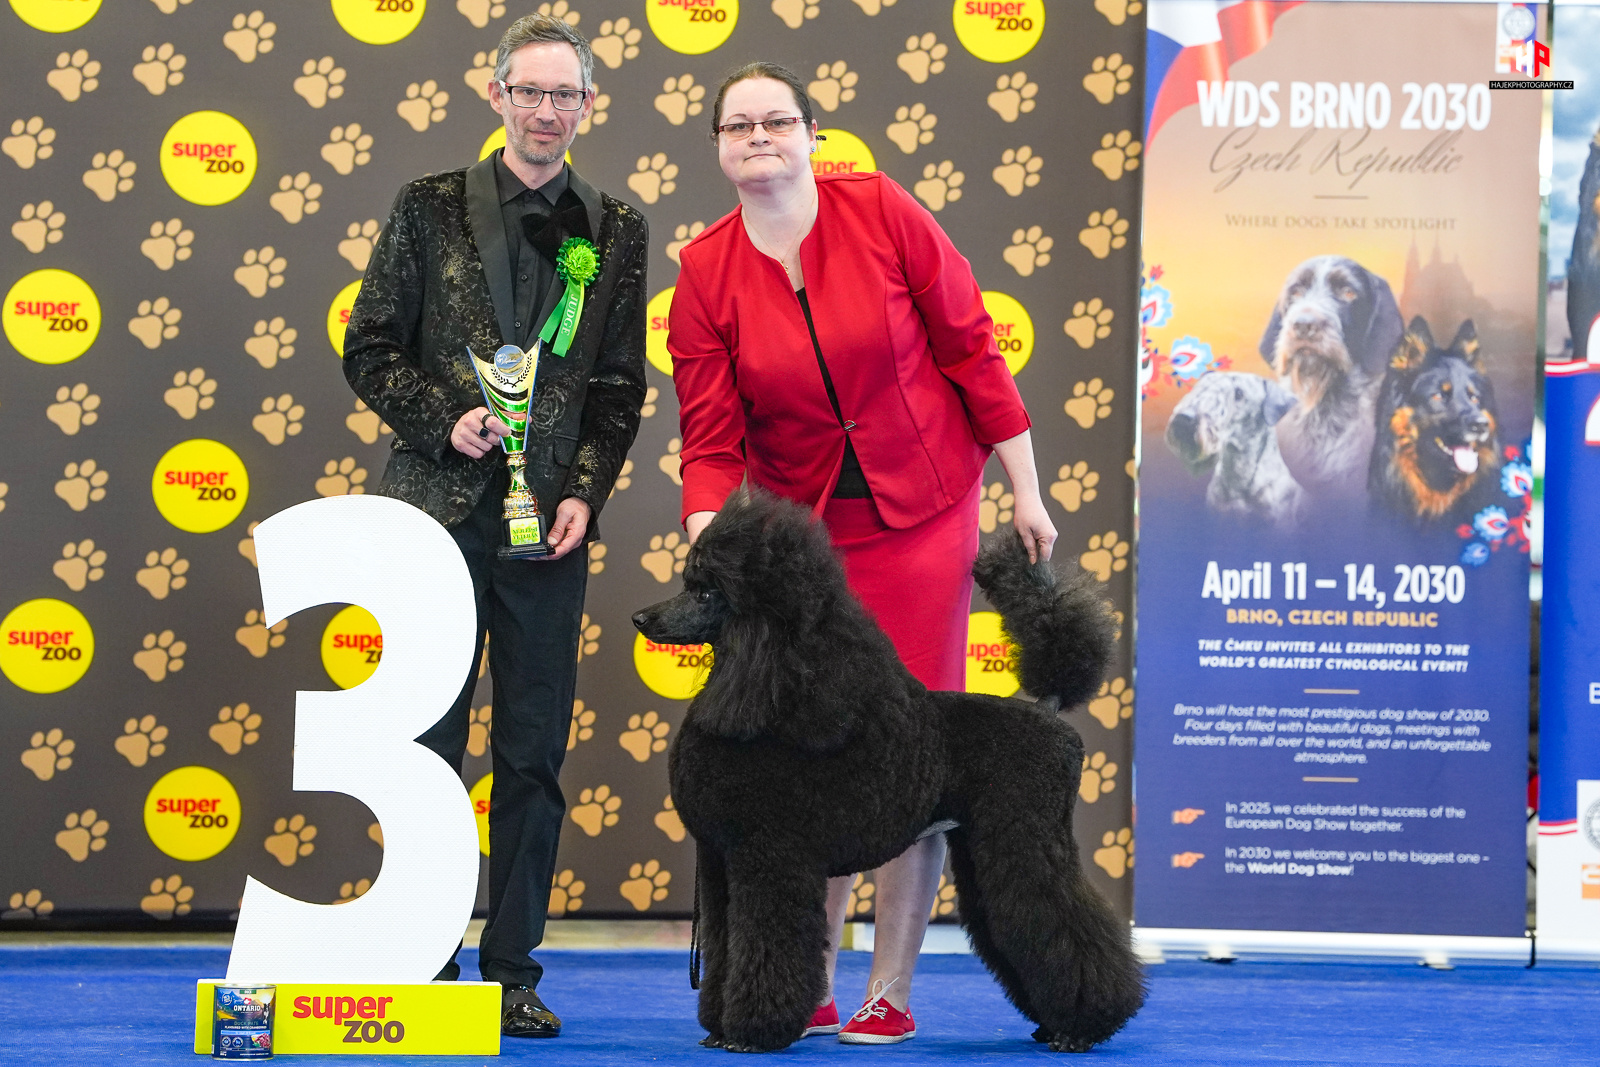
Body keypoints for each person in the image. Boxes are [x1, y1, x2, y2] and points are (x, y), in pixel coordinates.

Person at [667, 62, 1057, 1045]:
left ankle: (890, 987)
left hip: (924, 509)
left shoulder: (881, 209)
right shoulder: (704, 271)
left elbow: (970, 345)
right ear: (718, 147)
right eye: (739, 126)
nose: (759, 137)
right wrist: (707, 540)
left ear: (811, 132)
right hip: (806, 544)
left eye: (777, 120)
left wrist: (1025, 483)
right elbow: (709, 436)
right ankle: (807, 981)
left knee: (910, 746)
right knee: (812, 757)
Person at [341, 13, 647, 1038]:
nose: (546, 111)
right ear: (496, 95)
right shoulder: (427, 206)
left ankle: (512, 969)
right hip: (436, 516)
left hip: (547, 529)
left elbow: (617, 387)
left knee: (531, 752)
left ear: (588, 105)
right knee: (427, 747)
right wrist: (445, 420)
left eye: (565, 95)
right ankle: (426, 956)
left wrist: (585, 491)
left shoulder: (617, 227)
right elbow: (369, 346)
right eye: (530, 91)